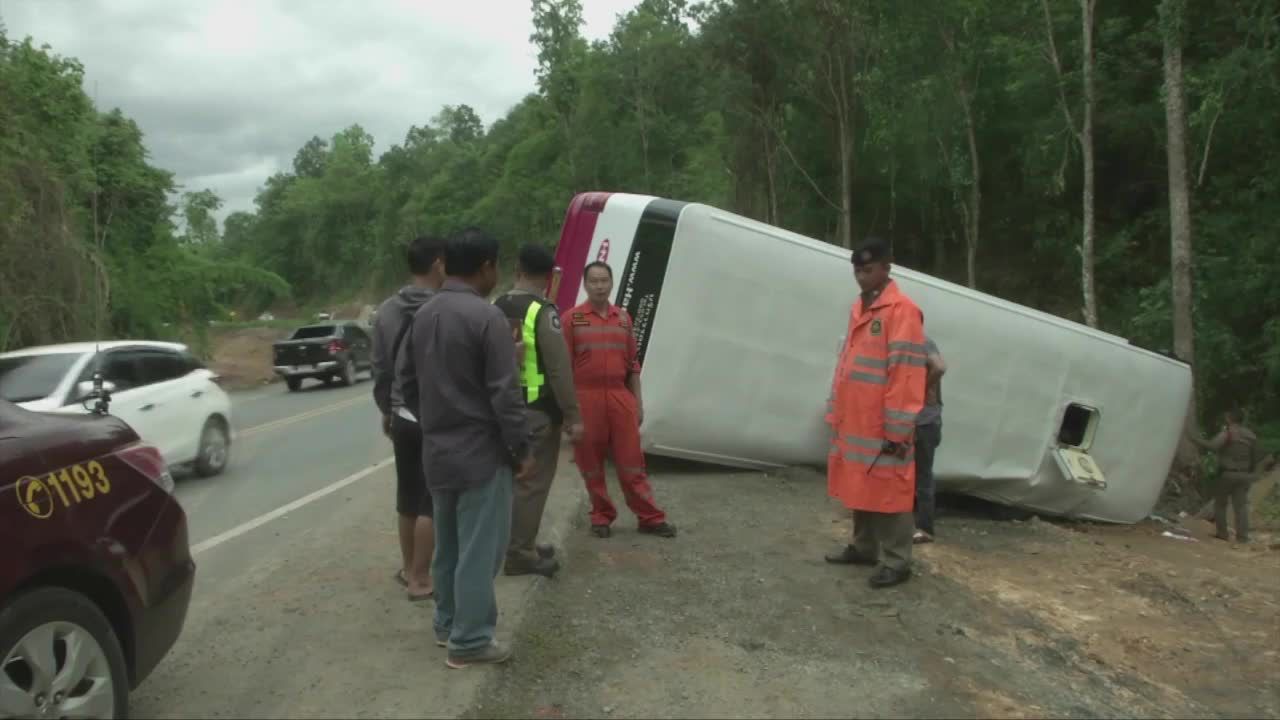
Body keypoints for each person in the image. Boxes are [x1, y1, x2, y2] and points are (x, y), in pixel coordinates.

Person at [410, 226, 534, 668]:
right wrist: (521, 449)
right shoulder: (487, 319)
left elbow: (409, 385)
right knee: (480, 550)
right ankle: (471, 640)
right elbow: (505, 394)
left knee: (450, 546)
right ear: (486, 267)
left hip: (438, 451)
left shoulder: (424, 315)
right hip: (480, 453)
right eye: (495, 266)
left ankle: (447, 625)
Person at [823, 237, 927, 589]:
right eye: (857, 271)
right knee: (859, 483)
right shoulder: (861, 307)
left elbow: (907, 372)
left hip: (884, 423)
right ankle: (864, 547)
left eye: (868, 270)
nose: (861, 277)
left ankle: (898, 562)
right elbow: (846, 363)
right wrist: (834, 407)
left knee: (892, 491)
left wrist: (898, 428)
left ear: (887, 268)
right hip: (856, 420)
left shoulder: (902, 311)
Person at [561, 261, 677, 539]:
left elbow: (633, 365)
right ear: (585, 284)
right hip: (584, 397)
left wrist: (637, 402)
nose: (599, 286)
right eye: (594, 281)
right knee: (591, 463)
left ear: (612, 283)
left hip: (619, 396)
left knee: (632, 462)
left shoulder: (623, 319)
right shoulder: (572, 319)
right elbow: (563, 368)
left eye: (604, 281)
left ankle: (649, 517)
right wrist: (568, 411)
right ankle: (601, 516)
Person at [493, 244, 585, 577]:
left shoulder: (496, 306)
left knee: (505, 484)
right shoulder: (542, 312)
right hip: (535, 412)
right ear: (549, 277)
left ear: (517, 269)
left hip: (499, 411)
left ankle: (513, 544)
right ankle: (519, 554)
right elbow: (559, 370)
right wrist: (573, 416)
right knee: (531, 485)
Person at [370, 235, 445, 602]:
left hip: (401, 415)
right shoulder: (444, 308)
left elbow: (380, 368)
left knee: (407, 497)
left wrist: (387, 409)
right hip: (435, 417)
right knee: (432, 500)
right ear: (437, 265)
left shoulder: (386, 310)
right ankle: (420, 578)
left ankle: (407, 568)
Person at [1188, 408, 1263, 543]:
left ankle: (1223, 534)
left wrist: (1195, 439)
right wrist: (1252, 474)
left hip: (1227, 474)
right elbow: (1256, 457)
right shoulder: (1251, 436)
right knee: (1241, 507)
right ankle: (1242, 537)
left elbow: (1213, 446)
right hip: (1244, 475)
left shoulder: (1228, 433)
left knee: (1220, 505)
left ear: (1229, 418)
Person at [913, 336, 946, 544]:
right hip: (917, 419)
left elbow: (940, 367)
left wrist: (919, 391)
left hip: (925, 421)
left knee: (923, 475)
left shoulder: (922, 341)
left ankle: (925, 529)